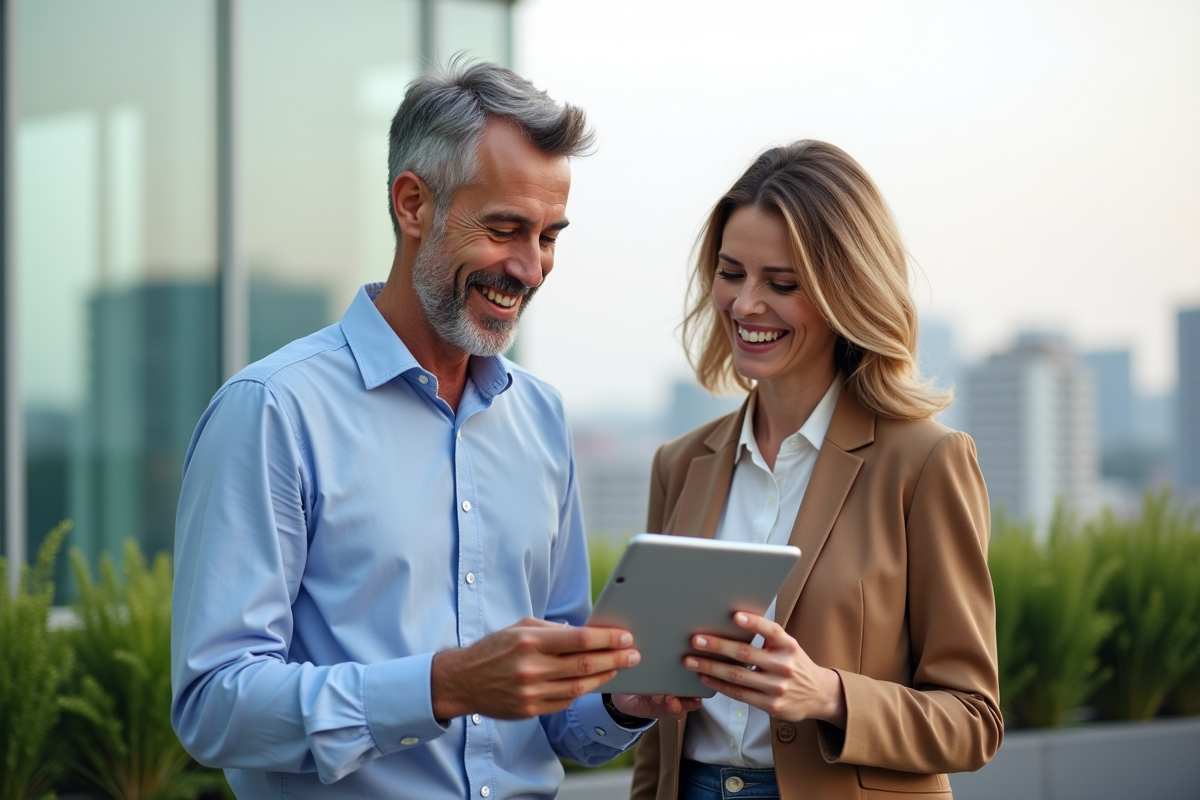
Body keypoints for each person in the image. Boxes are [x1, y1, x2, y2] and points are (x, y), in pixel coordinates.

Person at [171, 61, 695, 800]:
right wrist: (443, 686)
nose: (531, 268)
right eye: (506, 229)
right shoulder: (271, 411)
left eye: (550, 236)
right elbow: (214, 708)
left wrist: (616, 701)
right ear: (413, 204)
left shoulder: (541, 419)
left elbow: (559, 711)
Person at [630, 141, 1002, 800]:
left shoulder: (925, 462)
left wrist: (828, 695)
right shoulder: (679, 466)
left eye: (781, 283)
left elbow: (974, 721)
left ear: (844, 293)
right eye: (730, 273)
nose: (745, 306)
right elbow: (656, 748)